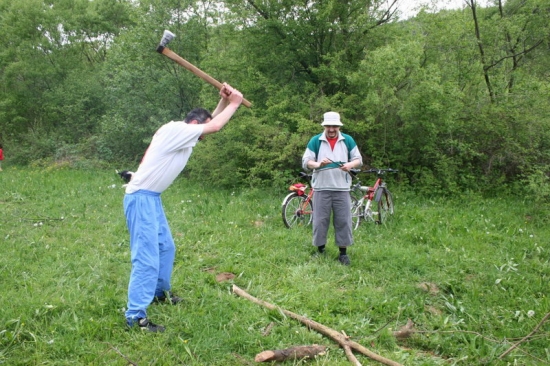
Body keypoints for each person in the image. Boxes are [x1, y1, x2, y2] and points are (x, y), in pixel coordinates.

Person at [123, 83, 243, 332]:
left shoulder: (185, 133)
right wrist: (234, 104)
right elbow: (214, 125)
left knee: (166, 247)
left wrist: (221, 101)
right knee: (146, 258)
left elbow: (207, 124)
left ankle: (158, 293)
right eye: (199, 132)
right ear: (193, 124)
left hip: (151, 198)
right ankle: (135, 317)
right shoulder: (175, 130)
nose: (201, 138)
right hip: (140, 198)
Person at [302, 112, 362, 265]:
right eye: (328, 126)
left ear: (338, 126)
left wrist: (349, 165)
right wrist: (318, 164)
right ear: (324, 126)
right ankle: (320, 250)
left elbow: (358, 159)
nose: (331, 129)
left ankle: (343, 253)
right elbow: (306, 161)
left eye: (334, 126)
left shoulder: (347, 140)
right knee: (320, 221)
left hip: (342, 188)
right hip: (321, 188)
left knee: (343, 221)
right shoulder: (316, 141)